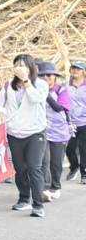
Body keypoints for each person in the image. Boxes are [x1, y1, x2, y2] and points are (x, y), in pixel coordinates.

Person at [0, 54, 49, 217]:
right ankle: (24, 198)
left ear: (31, 67)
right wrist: (1, 113)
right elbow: (0, 104)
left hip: (35, 132)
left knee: (34, 168)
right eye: (17, 65)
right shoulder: (8, 86)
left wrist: (26, 80)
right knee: (20, 169)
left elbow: (35, 99)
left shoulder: (40, 84)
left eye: (23, 65)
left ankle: (38, 205)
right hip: (14, 132)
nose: (19, 68)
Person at [41, 62, 72, 199]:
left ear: (55, 76)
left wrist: (46, 95)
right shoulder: (37, 89)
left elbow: (59, 108)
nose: (46, 78)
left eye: (49, 75)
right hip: (42, 130)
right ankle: (45, 188)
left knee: (56, 161)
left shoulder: (61, 90)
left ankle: (56, 186)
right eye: (43, 75)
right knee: (44, 160)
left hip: (59, 131)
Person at [67, 60, 86, 183]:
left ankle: (84, 174)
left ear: (83, 72)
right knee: (69, 149)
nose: (75, 71)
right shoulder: (66, 85)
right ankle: (74, 167)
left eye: (78, 69)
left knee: (84, 149)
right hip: (70, 123)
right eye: (73, 68)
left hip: (84, 122)